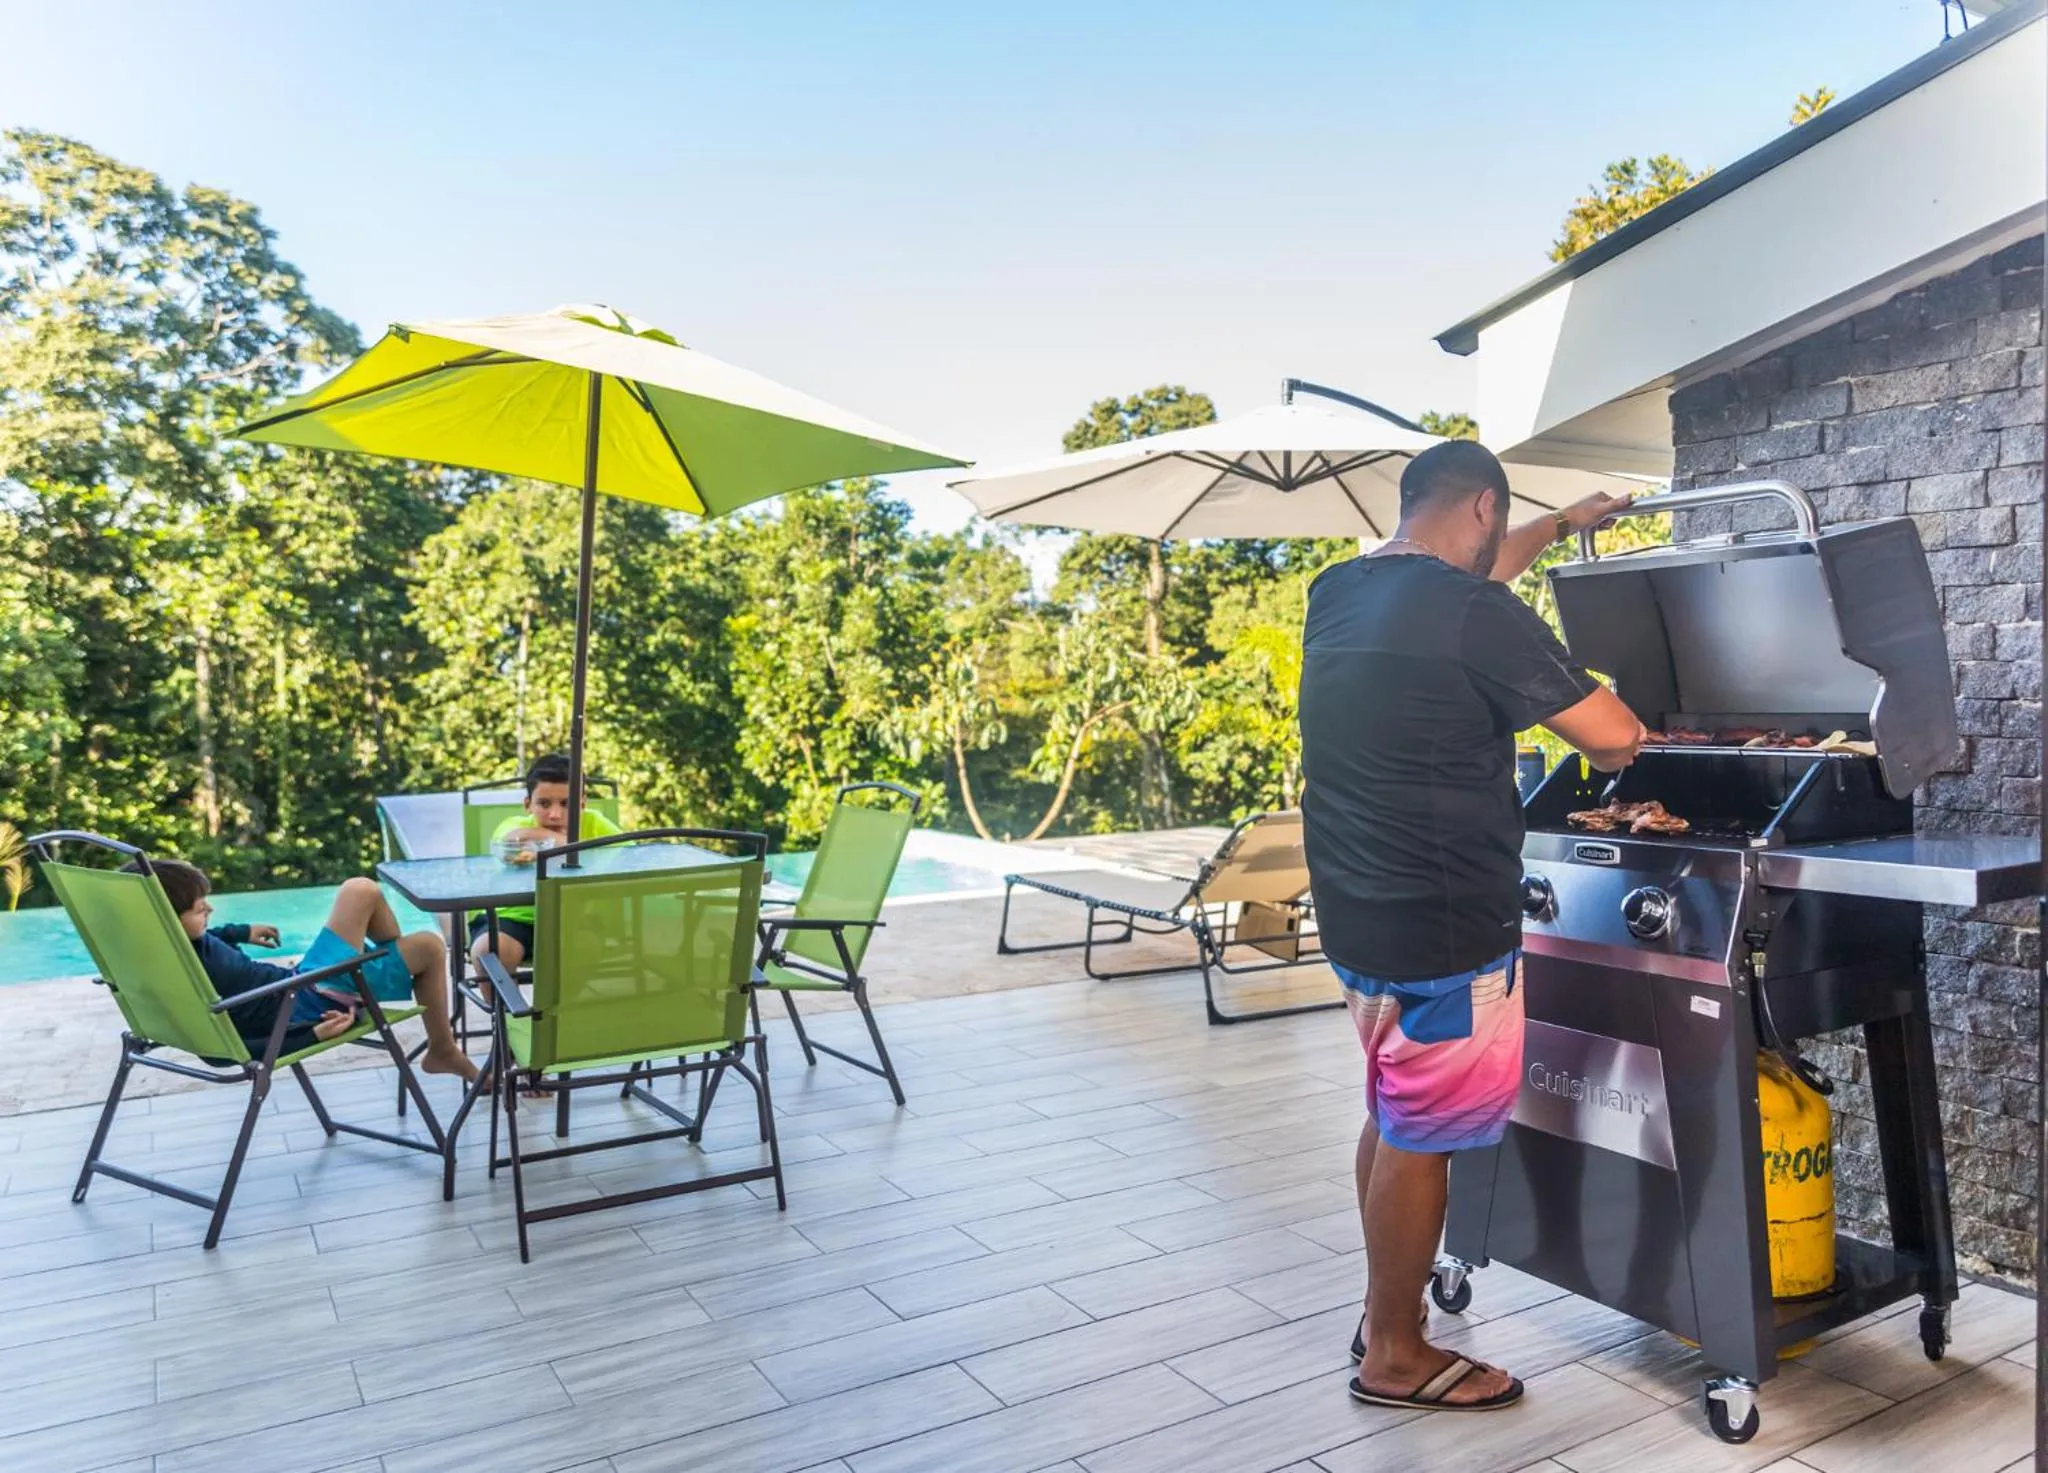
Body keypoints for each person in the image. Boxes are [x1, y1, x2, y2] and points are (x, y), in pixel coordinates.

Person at [1299, 440, 1645, 1414]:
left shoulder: (1341, 589)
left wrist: (1562, 524)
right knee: (1424, 1132)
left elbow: (1471, 569)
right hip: (1443, 917)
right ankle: (1397, 1356)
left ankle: (1383, 1313)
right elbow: (1611, 738)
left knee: (1394, 1107)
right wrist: (1620, 694)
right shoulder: (1477, 615)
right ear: (1483, 507)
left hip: (1358, 905)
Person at [140, 860, 477, 1082]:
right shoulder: (186, 977)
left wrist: (241, 932)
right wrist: (311, 1036)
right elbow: (226, 1054)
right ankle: (442, 1047)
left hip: (299, 981)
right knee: (430, 946)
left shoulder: (168, 949)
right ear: (169, 918)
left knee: (363, 890)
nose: (209, 909)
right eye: (200, 910)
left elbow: (208, 939)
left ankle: (386, 968)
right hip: (312, 1000)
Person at [469, 752, 619, 974]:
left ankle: (557, 1010)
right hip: (510, 917)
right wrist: (564, 842)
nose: (555, 814)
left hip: (573, 919)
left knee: (586, 946)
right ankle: (507, 1010)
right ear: (528, 804)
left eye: (567, 804)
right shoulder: (515, 824)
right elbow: (509, 839)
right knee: (488, 952)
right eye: (544, 804)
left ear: (583, 803)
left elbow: (630, 855)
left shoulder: (594, 823)